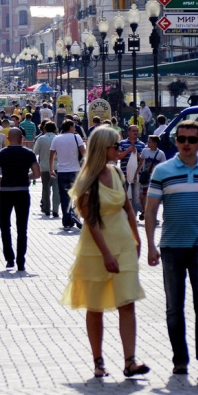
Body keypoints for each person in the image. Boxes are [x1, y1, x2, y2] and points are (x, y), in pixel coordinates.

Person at [61, 127, 148, 378]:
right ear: (102, 148)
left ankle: (130, 360)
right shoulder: (87, 180)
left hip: (124, 245)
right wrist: (107, 254)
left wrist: (137, 237)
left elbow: (128, 208)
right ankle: (98, 361)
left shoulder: (117, 173)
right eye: (115, 146)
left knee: (127, 301)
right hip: (97, 250)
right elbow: (91, 221)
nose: (119, 149)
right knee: (95, 305)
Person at [144, 120, 198, 377]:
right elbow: (150, 209)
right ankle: (180, 359)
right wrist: (150, 244)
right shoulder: (162, 171)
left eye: (192, 139)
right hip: (171, 246)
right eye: (182, 139)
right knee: (174, 306)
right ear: (176, 141)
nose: (187, 144)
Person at [0, 128, 40, 272]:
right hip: (22, 192)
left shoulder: (1, 154)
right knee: (22, 228)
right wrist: (26, 177)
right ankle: (21, 261)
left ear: (7, 138)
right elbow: (36, 174)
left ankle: (9, 258)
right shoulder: (29, 153)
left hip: (6, 192)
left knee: (5, 226)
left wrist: (2, 179)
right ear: (22, 138)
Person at [49, 120, 86, 230]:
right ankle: (75, 214)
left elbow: (51, 156)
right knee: (77, 195)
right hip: (75, 170)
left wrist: (51, 169)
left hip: (61, 171)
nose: (75, 128)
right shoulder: (76, 137)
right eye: (74, 126)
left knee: (64, 197)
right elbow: (84, 153)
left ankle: (67, 222)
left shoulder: (57, 138)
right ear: (70, 127)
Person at [33, 121, 60, 218]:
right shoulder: (58, 138)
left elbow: (35, 152)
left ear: (44, 128)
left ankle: (47, 208)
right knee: (56, 189)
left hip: (44, 166)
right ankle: (56, 209)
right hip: (57, 166)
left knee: (45, 188)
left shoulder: (41, 139)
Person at [118, 125, 146, 214]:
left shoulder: (141, 145)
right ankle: (124, 214)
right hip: (124, 174)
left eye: (137, 131)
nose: (135, 133)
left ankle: (134, 216)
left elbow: (142, 160)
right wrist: (128, 150)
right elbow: (118, 156)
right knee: (123, 195)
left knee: (135, 196)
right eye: (133, 131)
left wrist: (136, 153)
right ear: (128, 132)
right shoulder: (122, 143)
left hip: (136, 174)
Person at [137, 136, 166, 221]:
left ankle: (152, 216)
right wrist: (136, 173)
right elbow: (141, 163)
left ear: (155, 143)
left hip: (155, 178)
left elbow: (163, 167)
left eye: (149, 142)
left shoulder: (161, 154)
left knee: (153, 197)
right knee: (142, 196)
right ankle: (146, 211)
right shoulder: (145, 151)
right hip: (145, 177)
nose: (148, 143)